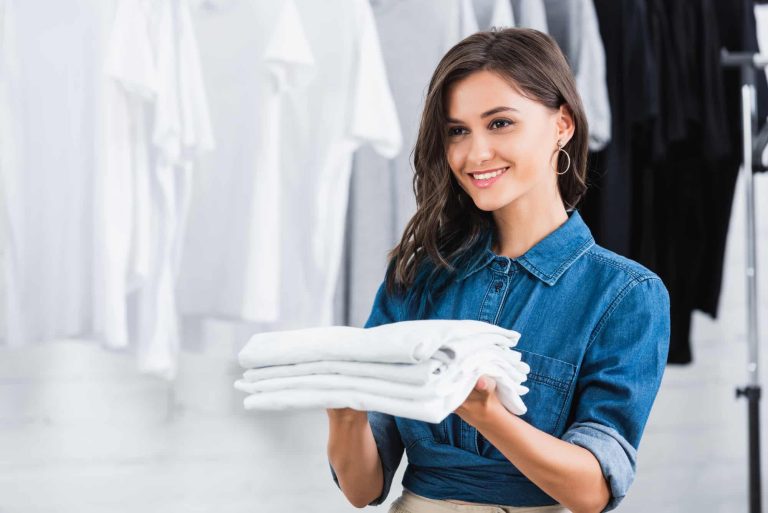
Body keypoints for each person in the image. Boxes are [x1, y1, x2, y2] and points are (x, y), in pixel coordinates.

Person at [326, 28, 670, 513]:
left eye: (501, 123)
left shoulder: (625, 294)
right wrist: (343, 409)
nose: (475, 154)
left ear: (562, 125)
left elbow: (593, 492)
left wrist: (487, 412)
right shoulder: (417, 277)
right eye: (458, 131)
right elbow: (362, 489)